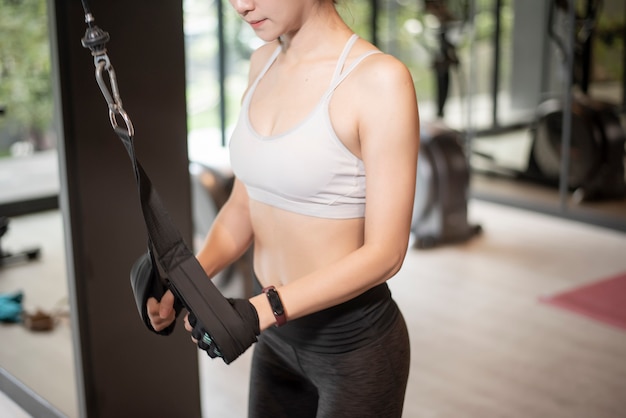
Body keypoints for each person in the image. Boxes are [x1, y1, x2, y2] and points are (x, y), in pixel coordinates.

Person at [148, 0, 420, 416]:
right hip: (274, 337)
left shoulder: (379, 80)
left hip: (352, 346)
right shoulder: (262, 62)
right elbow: (244, 204)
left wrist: (262, 310)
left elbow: (386, 253)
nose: (241, 5)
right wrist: (186, 283)